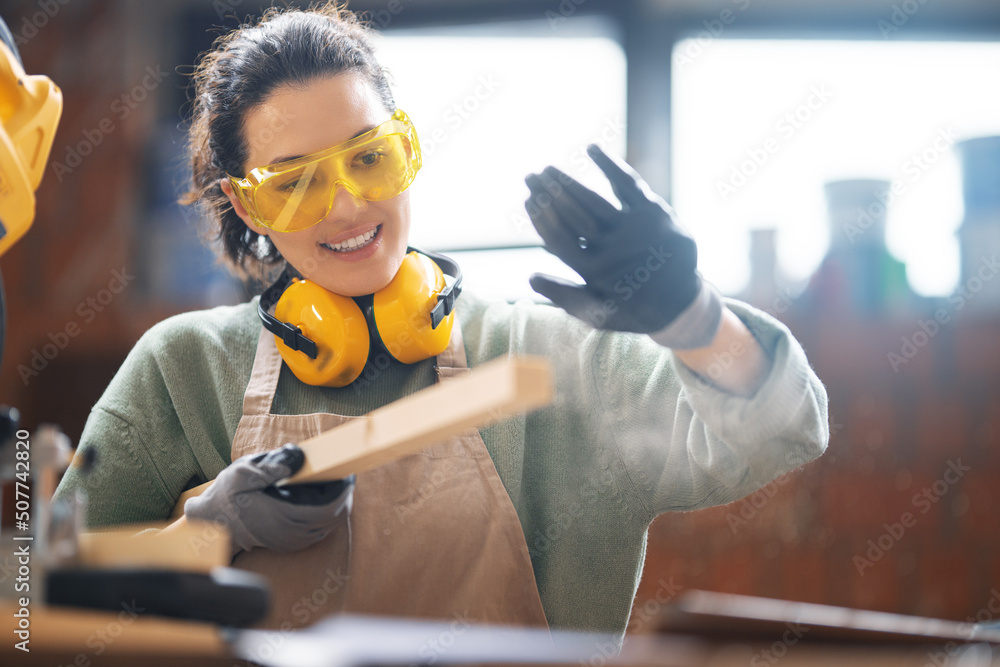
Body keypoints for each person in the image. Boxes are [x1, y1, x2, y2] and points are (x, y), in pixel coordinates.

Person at [53, 2, 829, 642]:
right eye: (296, 185)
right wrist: (204, 528)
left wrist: (691, 317)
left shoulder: (543, 356)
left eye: (370, 157)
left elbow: (781, 430)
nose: (350, 206)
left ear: (409, 147)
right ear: (247, 207)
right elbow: (34, 605)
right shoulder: (183, 371)